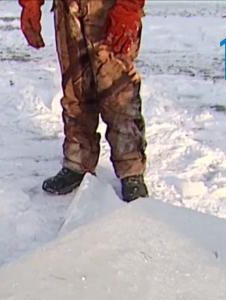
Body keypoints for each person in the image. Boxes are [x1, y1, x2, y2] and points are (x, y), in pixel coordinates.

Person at [19, 0, 149, 201]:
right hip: (68, 9)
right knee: (75, 90)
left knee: (118, 92)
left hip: (109, 8)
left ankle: (131, 170)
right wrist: (31, 5)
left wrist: (128, 9)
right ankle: (78, 161)